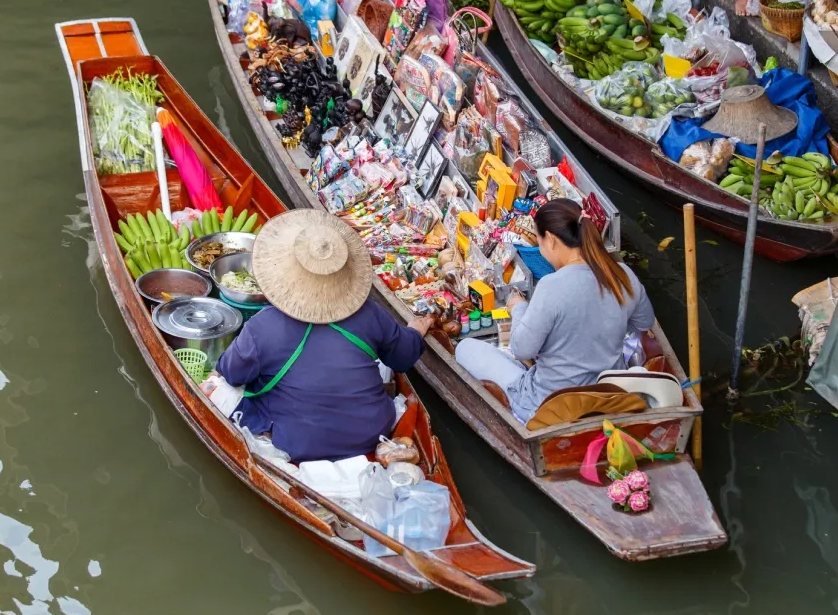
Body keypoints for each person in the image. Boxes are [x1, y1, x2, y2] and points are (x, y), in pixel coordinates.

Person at [215, 209, 433, 463]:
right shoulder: (369, 313)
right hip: (372, 433)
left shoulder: (262, 326)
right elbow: (404, 356)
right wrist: (416, 331)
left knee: (235, 391)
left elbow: (231, 373)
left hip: (299, 445)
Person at [455, 198, 656, 426]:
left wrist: (518, 307)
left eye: (539, 242)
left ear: (550, 239)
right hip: (607, 395)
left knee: (465, 348)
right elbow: (644, 323)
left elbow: (522, 349)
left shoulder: (551, 286)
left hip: (552, 405)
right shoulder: (622, 274)